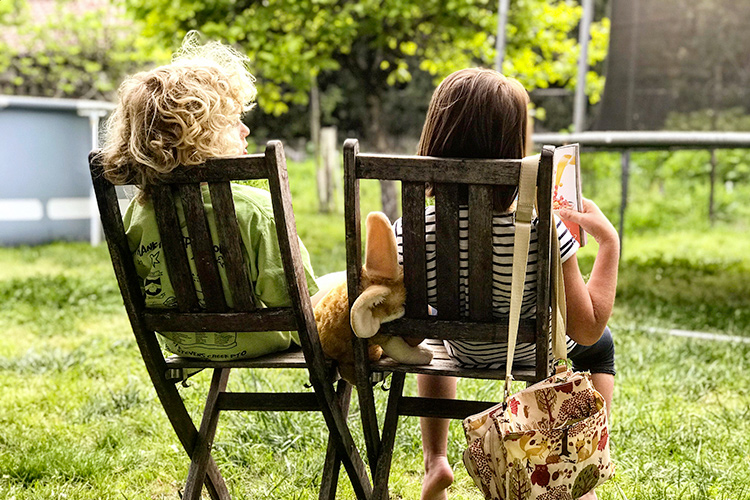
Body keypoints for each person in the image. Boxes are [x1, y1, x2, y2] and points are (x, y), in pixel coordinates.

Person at [392, 68, 619, 500]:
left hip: (460, 349)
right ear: (514, 146)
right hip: (529, 356)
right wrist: (609, 243)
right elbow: (584, 329)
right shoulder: (542, 227)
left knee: (436, 337)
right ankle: (575, 470)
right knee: (601, 343)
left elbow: (413, 329)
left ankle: (435, 460)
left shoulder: (412, 229)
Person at [99, 33, 319, 360]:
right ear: (201, 138)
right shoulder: (256, 209)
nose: (245, 130)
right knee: (338, 285)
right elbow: (293, 299)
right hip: (259, 338)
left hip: (183, 342)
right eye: (233, 122)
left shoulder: (138, 213)